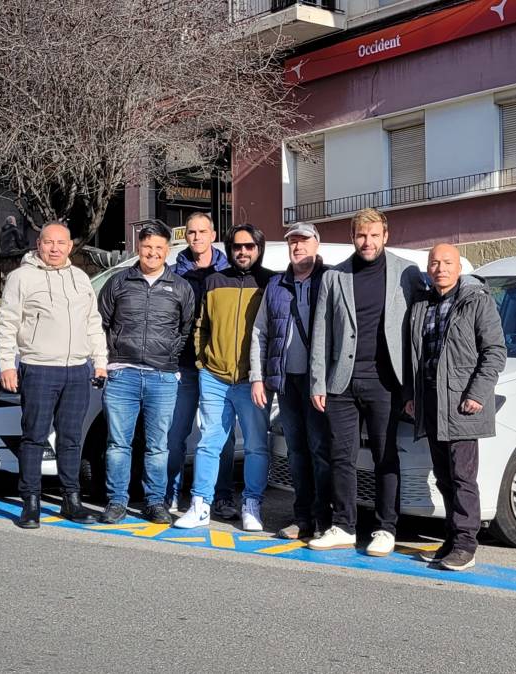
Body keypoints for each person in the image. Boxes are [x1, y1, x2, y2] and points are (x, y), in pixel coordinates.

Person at [308, 208, 425, 556]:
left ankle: (386, 529)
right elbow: (321, 331)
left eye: (374, 235)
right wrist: (318, 382)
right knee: (341, 457)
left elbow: (418, 328)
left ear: (385, 236)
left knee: (384, 457)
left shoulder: (407, 272)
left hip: (386, 383)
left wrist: (413, 386)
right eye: (361, 235)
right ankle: (343, 526)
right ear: (352, 237)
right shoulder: (335, 276)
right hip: (341, 383)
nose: (367, 242)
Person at [0, 222, 108, 528]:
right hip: (39, 368)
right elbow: (6, 323)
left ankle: (71, 500)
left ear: (70, 246)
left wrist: (100, 361)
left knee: (71, 439)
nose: (55, 248)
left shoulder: (80, 278)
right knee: (34, 437)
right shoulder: (21, 278)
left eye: (61, 243)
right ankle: (30, 502)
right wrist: (6, 364)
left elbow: (92, 322)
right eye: (48, 242)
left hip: (77, 371)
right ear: (39, 245)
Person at [407, 244, 506, 571]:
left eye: (447, 262)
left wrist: (477, 393)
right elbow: (415, 355)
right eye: (434, 263)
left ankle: (465, 545)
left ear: (459, 267)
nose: (440, 268)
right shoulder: (423, 303)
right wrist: (412, 395)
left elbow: (495, 352)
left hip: (462, 402)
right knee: (444, 477)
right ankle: (451, 541)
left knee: (463, 476)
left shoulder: (477, 301)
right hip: (431, 400)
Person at [173, 224, 275, 531]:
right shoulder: (215, 281)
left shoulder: (270, 282)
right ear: (229, 250)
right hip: (214, 377)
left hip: (252, 380)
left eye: (249, 246)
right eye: (236, 247)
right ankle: (200, 504)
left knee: (256, 445)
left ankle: (252, 504)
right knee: (209, 443)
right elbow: (201, 325)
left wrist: (263, 373)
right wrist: (202, 361)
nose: (242, 252)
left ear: (259, 249)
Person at [97, 223, 196, 525]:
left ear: (168, 250)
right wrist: (108, 360)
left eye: (159, 248)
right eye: (147, 247)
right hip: (122, 374)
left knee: (158, 446)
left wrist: (168, 357)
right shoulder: (118, 282)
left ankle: (155, 502)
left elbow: (186, 329)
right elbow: (100, 323)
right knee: (117, 444)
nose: (152, 253)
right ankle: (117, 501)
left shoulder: (180, 287)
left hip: (162, 377)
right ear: (138, 248)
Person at [250, 222, 331, 540]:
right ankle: (302, 517)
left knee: (320, 451)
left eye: (303, 241)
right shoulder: (276, 285)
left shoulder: (331, 279)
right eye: (293, 242)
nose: (298, 247)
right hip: (286, 383)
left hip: (319, 383)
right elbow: (260, 331)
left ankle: (324, 518)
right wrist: (258, 377)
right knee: (296, 452)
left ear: (316, 245)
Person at [167, 212, 238, 519]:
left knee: (221, 436)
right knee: (175, 433)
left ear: (213, 235)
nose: (196, 237)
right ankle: (170, 493)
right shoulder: (174, 273)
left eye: (202, 231)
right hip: (183, 366)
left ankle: (222, 497)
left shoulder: (229, 271)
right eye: (191, 232)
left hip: (217, 367)